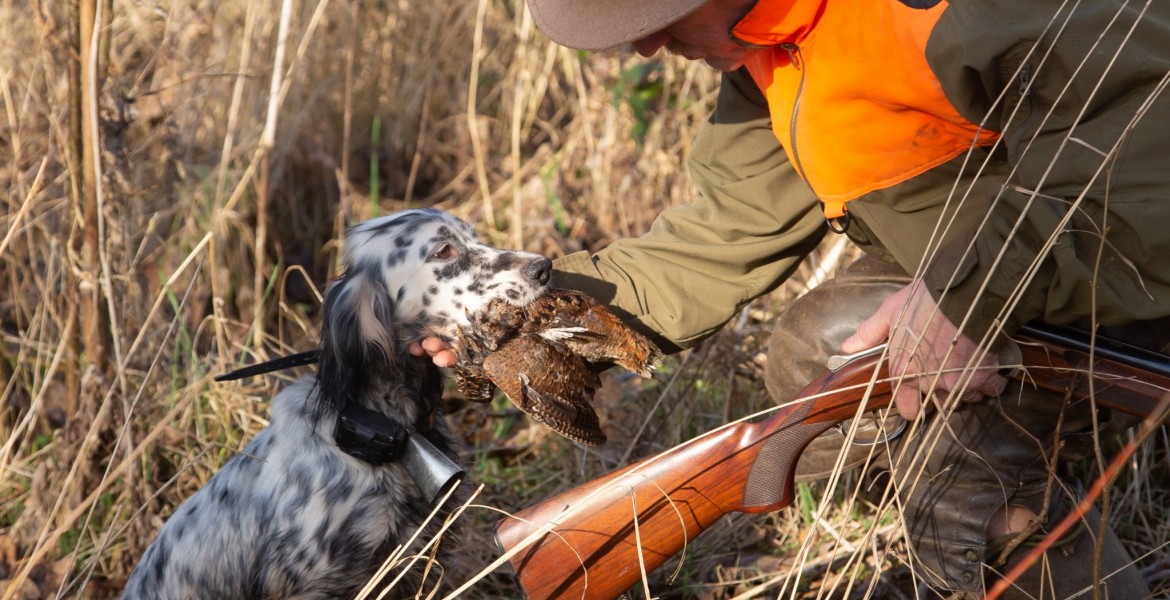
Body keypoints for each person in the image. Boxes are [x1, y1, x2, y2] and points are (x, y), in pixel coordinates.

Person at [414, 0, 1170, 596]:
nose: (647, 46)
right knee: (818, 350)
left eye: (664, 12)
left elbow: (1146, 135)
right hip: (1017, 268)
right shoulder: (768, 49)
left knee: (961, 469)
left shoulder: (947, 9)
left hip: (1126, 265)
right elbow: (722, 232)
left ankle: (995, 522)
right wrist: (523, 322)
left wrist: (965, 295)